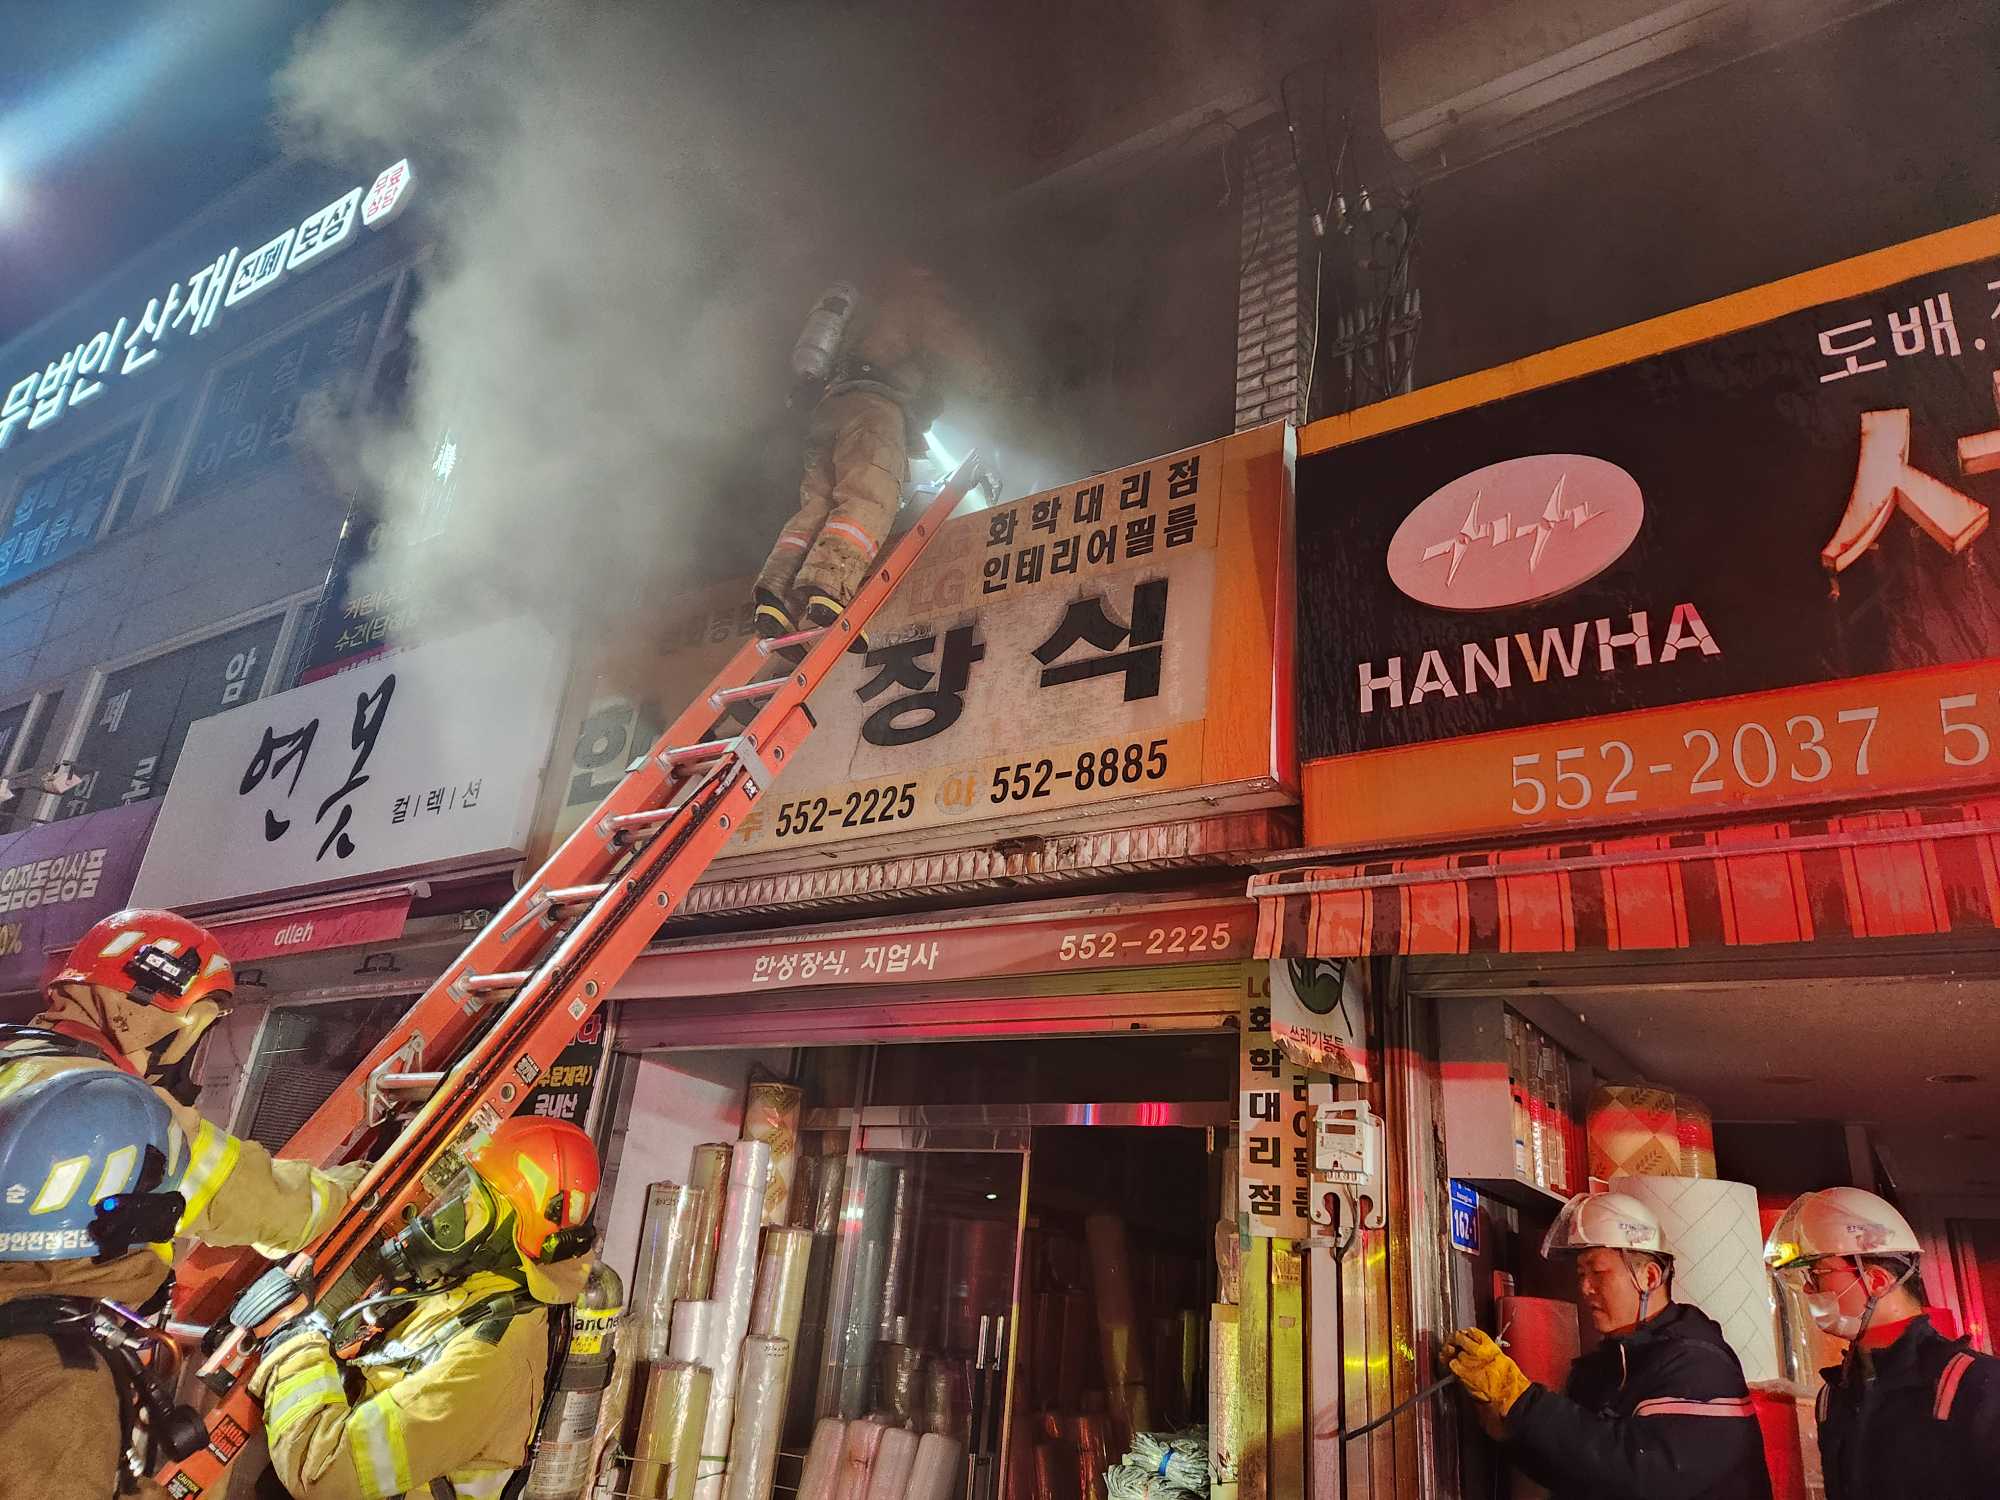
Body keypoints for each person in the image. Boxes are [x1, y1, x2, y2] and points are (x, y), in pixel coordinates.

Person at [0, 907, 363, 1500]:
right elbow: (274, 1208)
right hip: (39, 1350)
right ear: (162, 1012)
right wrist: (347, 1187)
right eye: (199, 1021)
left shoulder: (14, 1061)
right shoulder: (113, 1111)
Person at [252, 1115, 602, 1500]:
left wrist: (291, 1344)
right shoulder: (472, 1286)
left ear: (515, 1236)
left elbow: (325, 1473)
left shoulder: (491, 1360)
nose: (453, 1210)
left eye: (475, 1202)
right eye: (462, 1191)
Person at [1445, 1189, 1771, 1500]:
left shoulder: (1696, 1365)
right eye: (1580, 1274)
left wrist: (1519, 1400)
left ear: (1649, 1278)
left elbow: (1637, 1469)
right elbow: (1580, 1470)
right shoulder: (1605, 1367)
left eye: (1598, 1272)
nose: (1585, 1287)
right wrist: (1511, 1432)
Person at [754, 259, 1006, 642]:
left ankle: (777, 594)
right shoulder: (916, 297)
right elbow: (962, 350)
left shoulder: (859, 308)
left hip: (829, 409)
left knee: (818, 504)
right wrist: (1000, 384)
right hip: (873, 409)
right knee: (871, 495)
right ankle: (828, 584)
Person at [1765, 1186, 2000, 1497]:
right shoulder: (1833, 1398)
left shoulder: (1974, 1385)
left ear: (1876, 1280)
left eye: (1816, 1274)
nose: (1808, 1290)